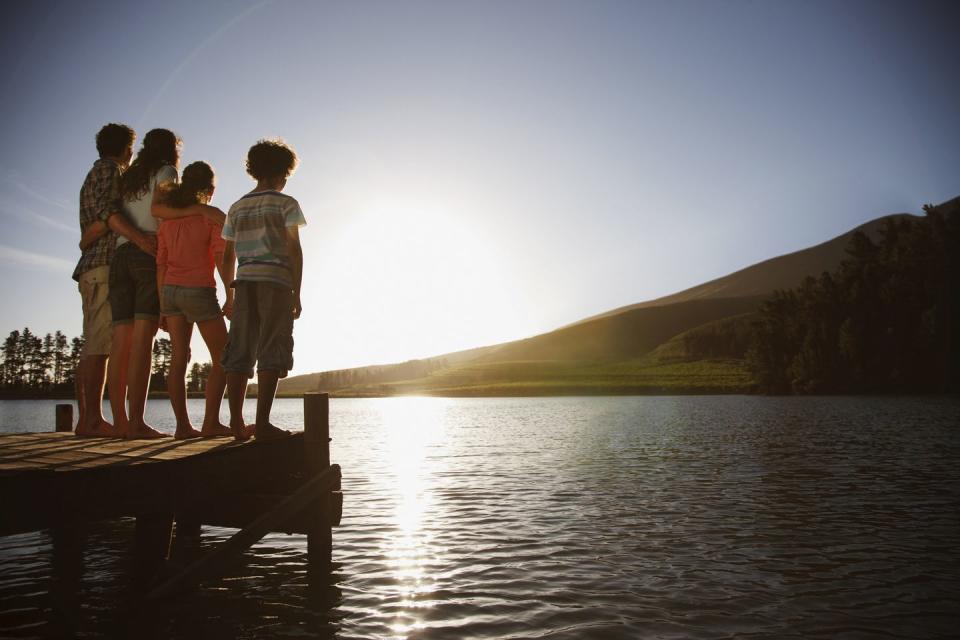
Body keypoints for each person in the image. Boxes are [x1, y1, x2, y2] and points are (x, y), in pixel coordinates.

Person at [73, 123, 157, 438]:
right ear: (126, 149)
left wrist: (88, 236)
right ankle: (91, 421)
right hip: (102, 266)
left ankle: (90, 419)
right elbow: (108, 215)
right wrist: (140, 239)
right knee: (99, 345)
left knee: (98, 344)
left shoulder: (96, 173)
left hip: (94, 266)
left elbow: (95, 226)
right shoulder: (109, 170)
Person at [221, 139, 305, 441]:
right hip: (276, 282)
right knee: (273, 346)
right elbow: (294, 251)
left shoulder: (236, 207)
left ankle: (235, 424)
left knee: (240, 349)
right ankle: (264, 424)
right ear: (282, 172)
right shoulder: (286, 204)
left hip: (243, 283)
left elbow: (226, 256)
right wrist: (297, 292)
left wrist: (228, 295)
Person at [107, 128, 180, 439]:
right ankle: (136, 422)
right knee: (142, 344)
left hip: (119, 255)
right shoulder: (166, 171)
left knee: (120, 344)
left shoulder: (129, 178)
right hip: (145, 255)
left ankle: (122, 422)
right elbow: (162, 215)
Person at [154, 161, 234, 439]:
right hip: (198, 291)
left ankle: (182, 427)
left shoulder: (168, 220)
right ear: (209, 190)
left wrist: (163, 304)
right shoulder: (209, 217)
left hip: (171, 292)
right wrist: (231, 294)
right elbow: (222, 257)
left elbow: (160, 264)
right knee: (225, 356)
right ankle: (211, 422)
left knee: (178, 358)